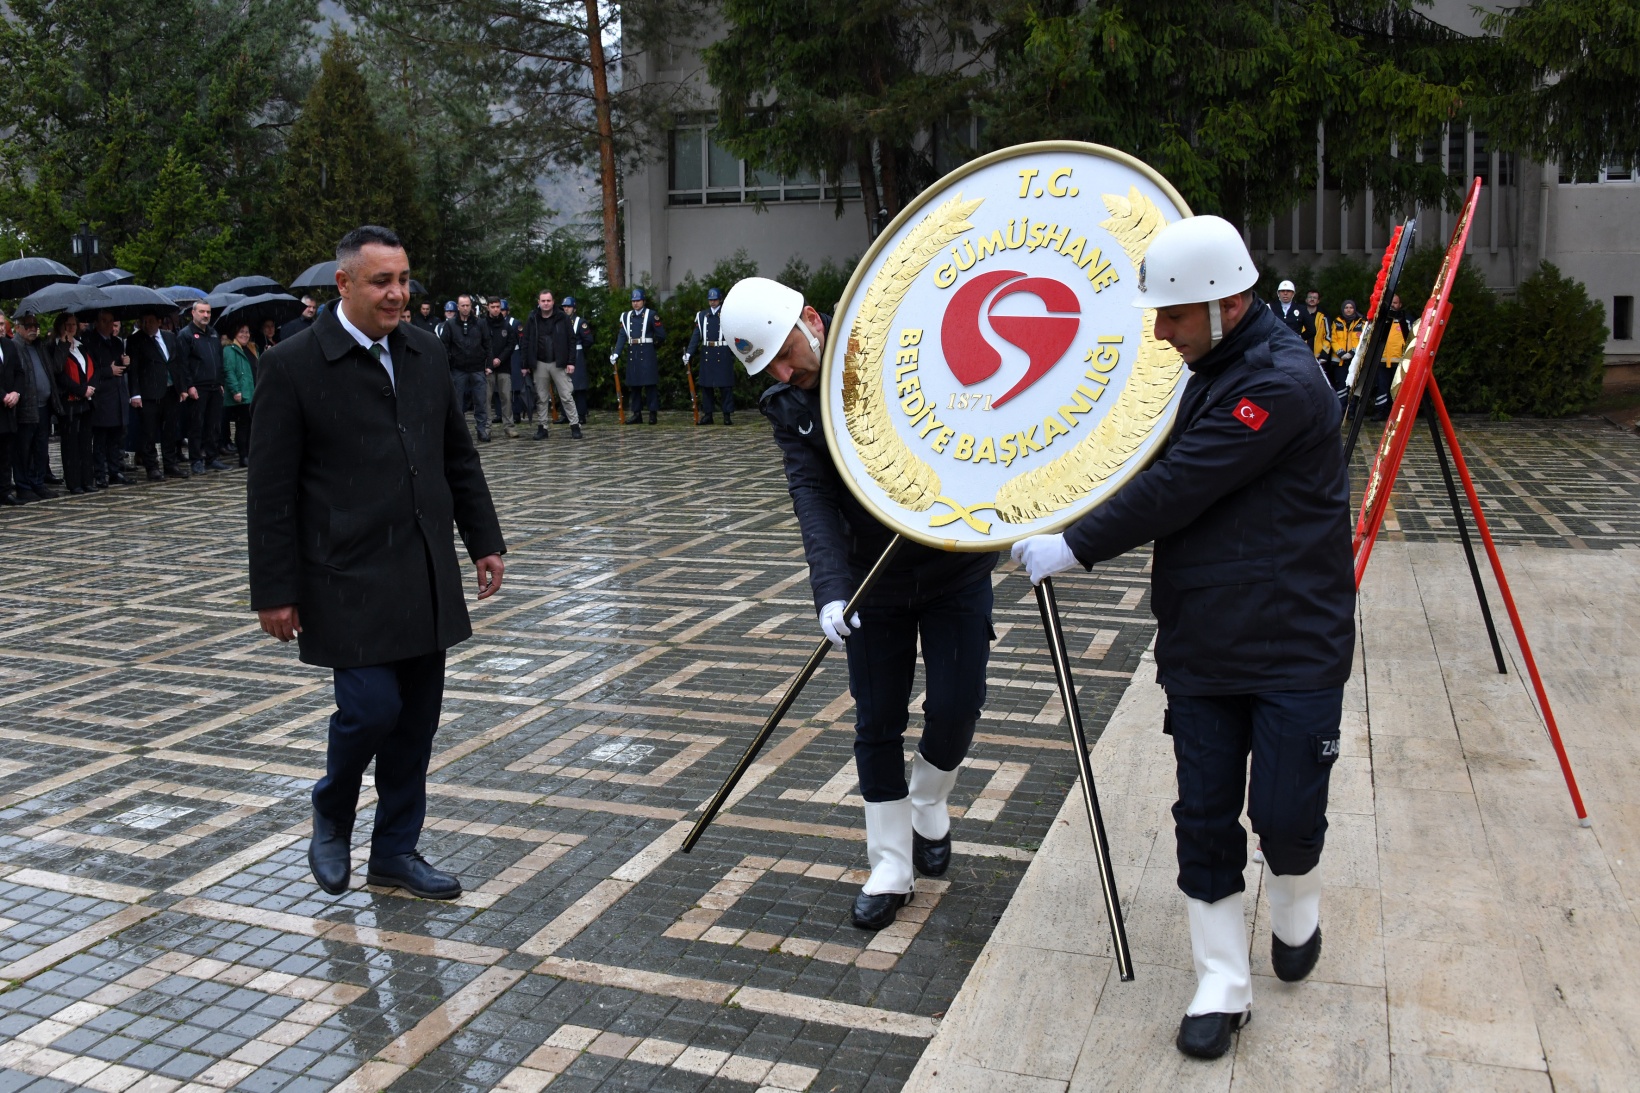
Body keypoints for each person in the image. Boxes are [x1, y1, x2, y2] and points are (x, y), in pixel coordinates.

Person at [1010, 215, 1354, 1061]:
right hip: (1202, 641)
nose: (1160, 333)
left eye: (1172, 315)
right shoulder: (1210, 366)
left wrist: (1073, 544)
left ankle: (1298, 904)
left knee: (1284, 816)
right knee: (1202, 815)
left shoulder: (1280, 385)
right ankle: (1222, 982)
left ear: (1227, 304)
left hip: (1294, 642)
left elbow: (1180, 484)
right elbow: (1132, 451)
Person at [721, 277, 998, 931]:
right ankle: (890, 864)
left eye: (785, 354)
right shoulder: (789, 406)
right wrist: (830, 591)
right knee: (877, 720)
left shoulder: (900, 352)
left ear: (812, 320)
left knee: (957, 705)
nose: (783, 373)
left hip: (953, 563)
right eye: (768, 368)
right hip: (871, 581)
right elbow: (812, 496)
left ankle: (928, 798)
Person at [248, 225, 507, 900]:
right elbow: (270, 491)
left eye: (403, 280)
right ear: (344, 284)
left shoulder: (425, 350)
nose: (397, 294)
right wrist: (274, 590)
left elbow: (456, 455)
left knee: (415, 724)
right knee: (370, 708)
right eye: (381, 281)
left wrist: (484, 539)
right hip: (345, 577)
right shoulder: (292, 365)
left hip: (422, 570)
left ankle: (394, 851)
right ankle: (332, 808)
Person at [127, 311, 191, 479]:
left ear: (159, 322)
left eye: (151, 321)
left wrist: (182, 387)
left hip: (170, 390)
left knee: (170, 429)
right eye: (144, 321)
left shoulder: (170, 337)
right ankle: (152, 466)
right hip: (149, 393)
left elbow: (177, 363)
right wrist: (135, 394)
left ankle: (170, 464)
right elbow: (133, 369)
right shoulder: (136, 340)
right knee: (148, 431)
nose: (147, 324)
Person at [520, 291, 583, 440]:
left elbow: (571, 340)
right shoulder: (533, 318)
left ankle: (575, 426)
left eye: (548, 300)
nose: (546, 303)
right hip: (539, 363)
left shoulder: (563, 318)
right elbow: (525, 341)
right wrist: (524, 364)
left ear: (553, 302)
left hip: (559, 363)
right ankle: (542, 427)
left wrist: (571, 362)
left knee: (566, 396)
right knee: (541, 398)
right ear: (538, 302)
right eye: (543, 301)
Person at [11, 313, 60, 499]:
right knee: (23, 450)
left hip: (44, 405)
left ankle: (38, 482)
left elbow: (53, 368)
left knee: (41, 448)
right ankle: (23, 486)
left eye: (35, 325)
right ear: (18, 328)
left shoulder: (40, 346)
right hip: (25, 407)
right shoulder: (15, 347)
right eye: (28, 325)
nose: (33, 328)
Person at [176, 300, 228, 473]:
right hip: (198, 387)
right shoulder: (186, 335)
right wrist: (188, 386)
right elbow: (182, 364)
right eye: (202, 312)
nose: (206, 315)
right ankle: (196, 459)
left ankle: (212, 457)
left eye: (208, 312)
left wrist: (221, 382)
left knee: (214, 424)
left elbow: (219, 359)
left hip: (215, 386)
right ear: (193, 313)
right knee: (196, 425)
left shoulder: (213, 333)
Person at [48, 312, 96, 494]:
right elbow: (58, 373)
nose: (71, 328)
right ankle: (74, 482)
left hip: (86, 401)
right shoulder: (53, 346)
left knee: (85, 442)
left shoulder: (82, 345)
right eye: (67, 325)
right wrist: (80, 390)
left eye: (73, 324)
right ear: (60, 326)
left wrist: (90, 387)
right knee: (71, 444)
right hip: (68, 402)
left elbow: (91, 369)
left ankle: (87, 480)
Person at [83, 309, 131, 487]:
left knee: (116, 437)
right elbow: (89, 369)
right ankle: (100, 473)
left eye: (111, 321)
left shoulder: (117, 342)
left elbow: (121, 369)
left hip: (118, 394)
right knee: (101, 439)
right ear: (97, 322)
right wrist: (108, 371)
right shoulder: (90, 342)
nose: (108, 325)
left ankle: (115, 470)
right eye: (104, 321)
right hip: (102, 395)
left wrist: (126, 363)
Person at [440, 295, 492, 442]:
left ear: (471, 306)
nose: (465, 308)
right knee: (457, 403)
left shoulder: (480, 323)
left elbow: (488, 344)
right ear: (458, 307)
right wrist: (448, 364)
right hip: (458, 368)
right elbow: (444, 345)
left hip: (477, 367)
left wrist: (488, 365)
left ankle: (481, 429)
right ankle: (459, 432)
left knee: (480, 401)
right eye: (462, 305)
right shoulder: (450, 325)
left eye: (467, 305)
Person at [612, 286, 665, 424]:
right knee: (634, 385)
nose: (635, 303)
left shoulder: (651, 315)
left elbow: (661, 335)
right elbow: (622, 336)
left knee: (650, 385)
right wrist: (616, 353)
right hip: (633, 352)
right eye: (633, 301)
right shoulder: (626, 316)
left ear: (643, 301)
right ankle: (637, 414)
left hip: (647, 351)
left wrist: (652, 346)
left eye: (638, 301)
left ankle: (652, 414)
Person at [685, 287, 736, 425]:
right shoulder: (702, 315)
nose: (712, 302)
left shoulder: (727, 314)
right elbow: (696, 336)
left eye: (715, 299)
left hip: (722, 351)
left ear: (720, 300)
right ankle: (708, 415)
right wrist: (689, 353)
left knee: (725, 386)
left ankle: (727, 415)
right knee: (706, 386)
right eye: (710, 300)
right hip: (707, 351)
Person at [482, 298, 518, 438]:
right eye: (493, 307)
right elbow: (481, 344)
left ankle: (509, 426)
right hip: (487, 368)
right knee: (486, 398)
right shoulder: (482, 324)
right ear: (488, 308)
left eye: (498, 307)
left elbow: (511, 344)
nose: (496, 309)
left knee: (506, 397)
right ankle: (486, 427)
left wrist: (500, 359)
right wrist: (490, 361)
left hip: (504, 367)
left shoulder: (507, 325)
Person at [223, 321, 256, 467]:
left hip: (253, 391)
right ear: (235, 334)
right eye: (241, 331)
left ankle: (250, 453)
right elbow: (229, 371)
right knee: (243, 425)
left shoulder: (252, 348)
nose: (245, 335)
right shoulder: (230, 350)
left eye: (247, 332)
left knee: (252, 425)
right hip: (242, 394)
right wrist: (236, 390)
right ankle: (243, 456)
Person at [562, 296, 595, 426]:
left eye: (568, 307)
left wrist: (579, 350)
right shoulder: (560, 321)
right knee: (564, 386)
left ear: (574, 309)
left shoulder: (580, 322)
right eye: (564, 307)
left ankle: (581, 414)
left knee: (579, 387)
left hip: (577, 355)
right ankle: (565, 414)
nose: (566, 309)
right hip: (563, 356)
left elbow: (588, 340)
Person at [0, 310, 19, 504]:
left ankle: (5, 491)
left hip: (8, 409)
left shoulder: (9, 345)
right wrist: (3, 395)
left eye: (2, 324)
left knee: (6, 452)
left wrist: (16, 392)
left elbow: (19, 372)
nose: (1, 328)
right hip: (2, 401)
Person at [1270, 279, 1311, 346]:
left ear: (1293, 293)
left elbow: (1311, 330)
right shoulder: (1270, 307)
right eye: (1282, 291)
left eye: (1288, 291)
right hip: (1275, 345)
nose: (1285, 293)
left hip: (1294, 345)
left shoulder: (1301, 309)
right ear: (1278, 293)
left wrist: (1299, 338)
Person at [1303, 289, 1332, 385]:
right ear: (1306, 299)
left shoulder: (1324, 316)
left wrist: (1324, 354)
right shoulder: (1299, 314)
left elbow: (1328, 336)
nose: (1312, 299)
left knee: (1319, 384)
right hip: (1302, 355)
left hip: (1318, 357)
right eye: (1310, 297)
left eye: (1314, 298)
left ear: (1318, 301)